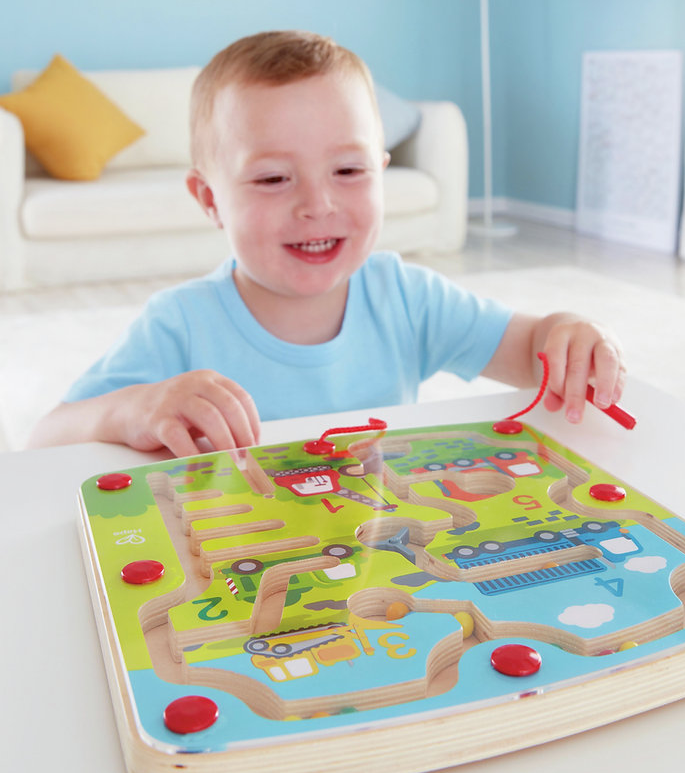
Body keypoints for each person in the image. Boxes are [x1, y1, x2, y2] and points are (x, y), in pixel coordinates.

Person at [28, 31, 626, 457]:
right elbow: (45, 440)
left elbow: (531, 351)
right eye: (272, 179)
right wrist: (133, 408)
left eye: (348, 171)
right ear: (209, 199)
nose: (317, 205)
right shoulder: (181, 324)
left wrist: (567, 334)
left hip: (379, 557)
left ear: (381, 172)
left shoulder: (407, 297)